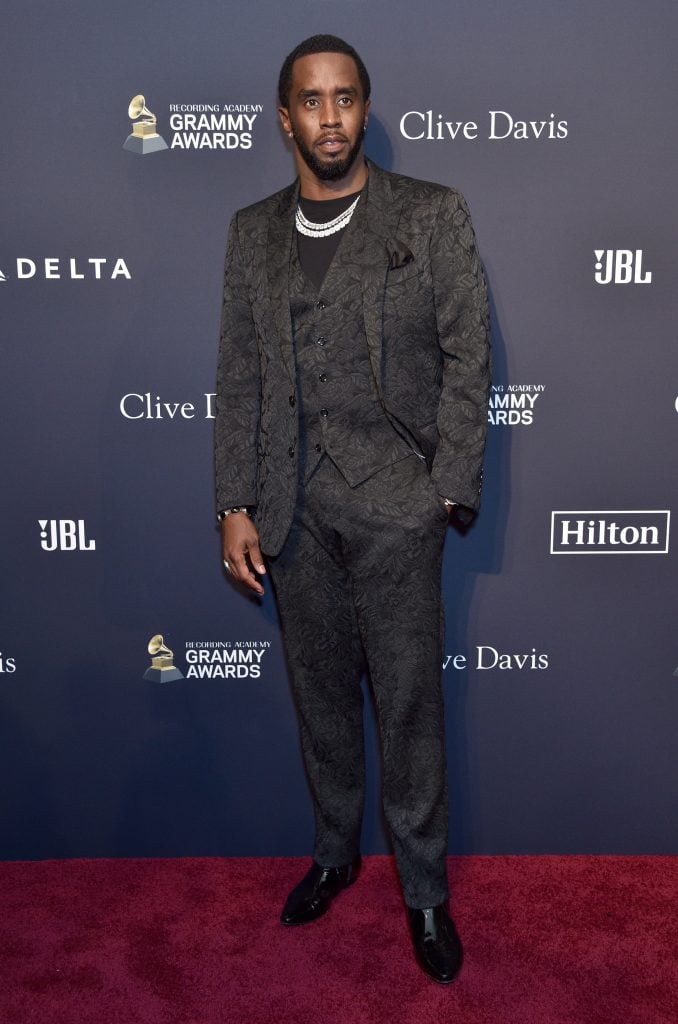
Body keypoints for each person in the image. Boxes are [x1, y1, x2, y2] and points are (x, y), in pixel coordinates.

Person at [214, 33, 490, 984]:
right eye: (310, 100)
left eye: (345, 98)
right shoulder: (251, 231)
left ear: (365, 111)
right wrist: (235, 501)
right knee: (323, 705)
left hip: (396, 509)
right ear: (284, 116)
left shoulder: (431, 214)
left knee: (409, 710)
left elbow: (468, 352)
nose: (329, 117)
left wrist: (443, 491)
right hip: (292, 512)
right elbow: (240, 377)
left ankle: (423, 894)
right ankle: (335, 856)